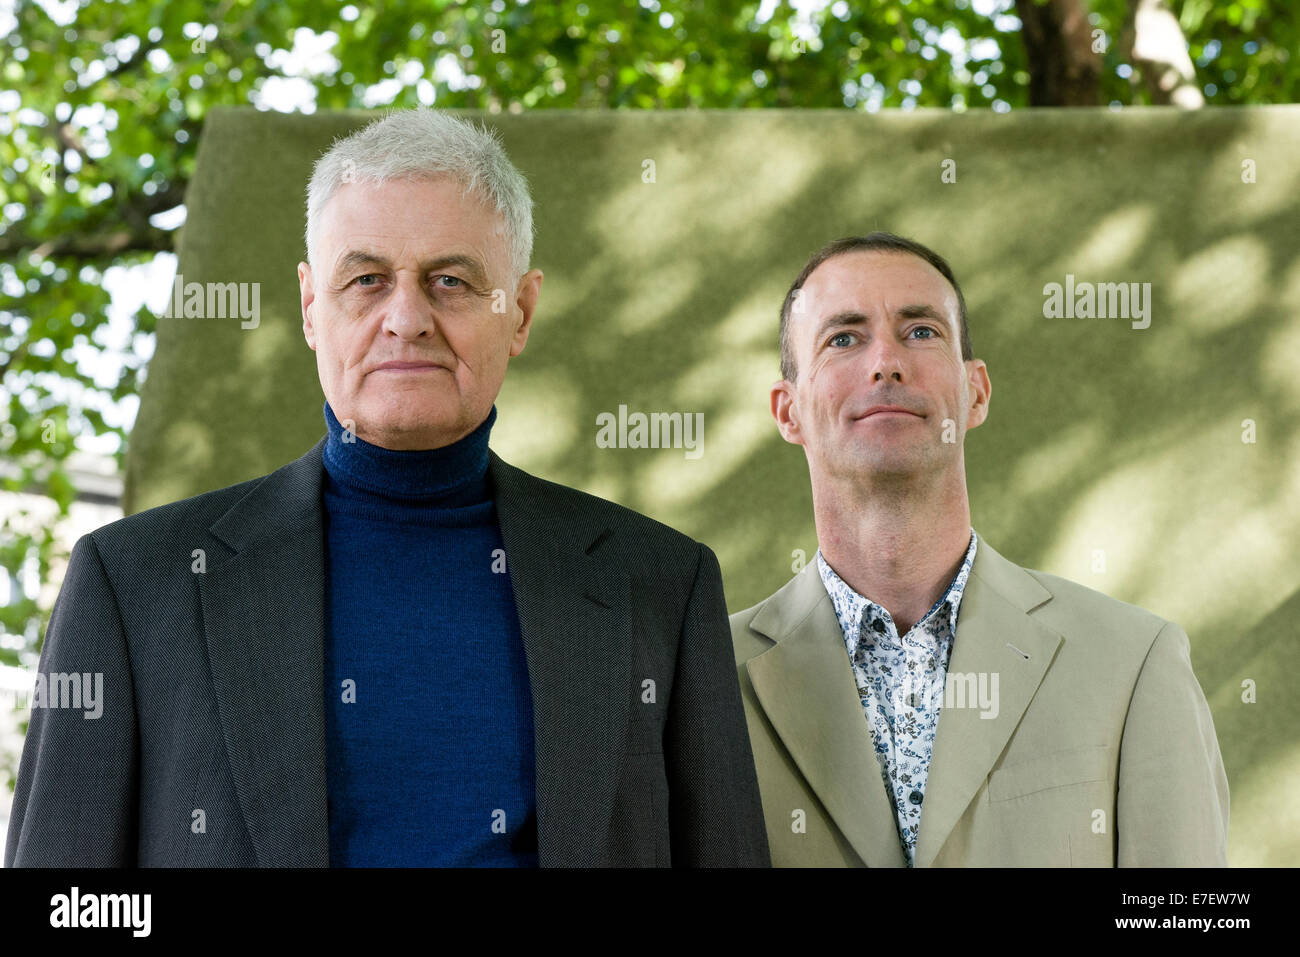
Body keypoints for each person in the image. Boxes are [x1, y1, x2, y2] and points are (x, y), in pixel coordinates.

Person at [6, 108, 769, 868]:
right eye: (367, 279)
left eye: (451, 280)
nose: (407, 319)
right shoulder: (133, 581)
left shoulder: (662, 583)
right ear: (311, 307)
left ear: (522, 311)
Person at [730, 232, 1228, 867]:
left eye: (920, 332)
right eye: (844, 338)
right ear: (788, 410)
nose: (886, 361)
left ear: (977, 392)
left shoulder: (1135, 663)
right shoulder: (704, 678)